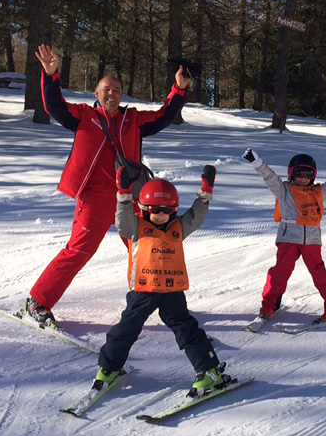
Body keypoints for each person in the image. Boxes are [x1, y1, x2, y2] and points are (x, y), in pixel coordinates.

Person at [23, 44, 189, 328]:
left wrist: (179, 88)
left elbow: (164, 117)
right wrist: (51, 75)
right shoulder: (83, 116)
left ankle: (148, 297)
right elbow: (54, 107)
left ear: (121, 95)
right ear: (96, 95)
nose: (111, 94)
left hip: (129, 196)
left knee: (143, 247)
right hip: (94, 197)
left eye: (115, 90)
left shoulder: (133, 119)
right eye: (105, 90)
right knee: (78, 249)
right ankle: (38, 301)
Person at [91, 170, 231, 396]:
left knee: (186, 330)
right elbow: (122, 222)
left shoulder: (178, 227)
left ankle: (209, 371)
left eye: (167, 210)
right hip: (143, 290)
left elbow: (195, 217)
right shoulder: (135, 228)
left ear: (173, 210)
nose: (161, 214)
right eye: (155, 210)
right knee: (125, 329)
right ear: (145, 209)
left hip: (172, 291)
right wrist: (124, 196)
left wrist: (204, 196)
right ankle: (109, 368)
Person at [243, 147, 326, 325]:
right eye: (299, 173)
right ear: (291, 173)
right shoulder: (283, 190)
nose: (304, 178)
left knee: (320, 274)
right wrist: (257, 162)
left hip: (312, 241)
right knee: (279, 273)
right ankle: (269, 305)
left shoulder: (319, 192)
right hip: (288, 239)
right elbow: (269, 177)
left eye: (308, 174)